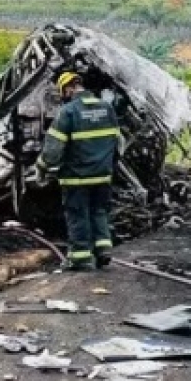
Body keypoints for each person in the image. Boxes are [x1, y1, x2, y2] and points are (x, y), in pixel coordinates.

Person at [36, 71, 120, 270]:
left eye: (62, 91)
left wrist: (42, 167)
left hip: (76, 178)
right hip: (103, 175)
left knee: (78, 215)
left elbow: (53, 149)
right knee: (99, 212)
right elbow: (118, 144)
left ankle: (80, 258)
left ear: (68, 88)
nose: (63, 96)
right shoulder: (107, 108)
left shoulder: (68, 112)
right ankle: (103, 251)